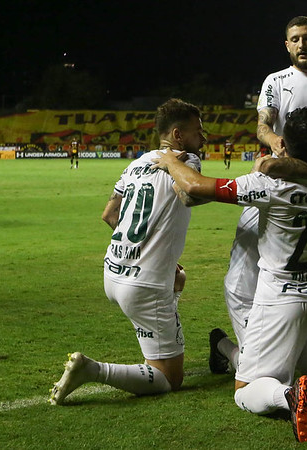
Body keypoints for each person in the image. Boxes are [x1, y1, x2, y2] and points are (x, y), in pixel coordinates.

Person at [154, 28, 307, 442]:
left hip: (280, 298)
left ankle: (290, 395)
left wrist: (169, 160)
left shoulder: (268, 186)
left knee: (246, 389)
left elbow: (200, 187)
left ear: (284, 144)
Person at [211, 15, 307, 377]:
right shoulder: (275, 81)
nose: (301, 45)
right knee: (241, 277)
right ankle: (253, 350)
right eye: (295, 39)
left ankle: (298, 348)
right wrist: (272, 139)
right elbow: (263, 123)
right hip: (278, 188)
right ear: (287, 45)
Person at [49, 99, 207, 405]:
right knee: (169, 379)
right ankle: (92, 370)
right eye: (197, 131)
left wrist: (144, 249)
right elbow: (189, 195)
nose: (203, 138)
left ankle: (166, 305)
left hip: (113, 272)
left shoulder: (135, 163)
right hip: (143, 286)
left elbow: (110, 214)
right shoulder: (186, 160)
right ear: (177, 135)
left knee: (177, 280)